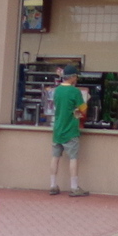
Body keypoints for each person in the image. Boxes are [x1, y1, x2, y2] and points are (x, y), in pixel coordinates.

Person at [48, 65, 89, 197]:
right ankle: (74, 187)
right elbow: (83, 110)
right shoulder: (75, 92)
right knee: (73, 158)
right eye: (76, 76)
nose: (76, 79)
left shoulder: (57, 91)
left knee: (55, 157)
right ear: (71, 77)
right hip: (70, 129)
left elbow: (61, 108)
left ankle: (53, 185)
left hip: (58, 129)